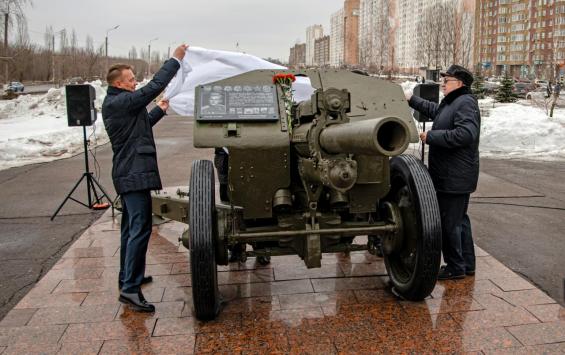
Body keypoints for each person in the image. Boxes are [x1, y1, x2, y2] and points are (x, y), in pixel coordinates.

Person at [102, 44, 188, 312]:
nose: (135, 82)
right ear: (119, 83)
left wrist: (160, 110)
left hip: (129, 172)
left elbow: (140, 127)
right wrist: (175, 60)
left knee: (131, 228)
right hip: (132, 173)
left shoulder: (120, 104)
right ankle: (129, 290)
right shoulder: (120, 101)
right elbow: (154, 86)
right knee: (140, 229)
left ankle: (129, 277)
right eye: (130, 80)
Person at [405, 64, 480, 280]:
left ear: (460, 83)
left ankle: (455, 267)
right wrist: (412, 99)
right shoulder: (454, 102)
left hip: (454, 176)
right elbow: (436, 111)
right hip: (453, 174)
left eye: (447, 81)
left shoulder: (465, 102)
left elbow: (465, 134)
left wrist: (432, 137)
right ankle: (467, 264)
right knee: (459, 221)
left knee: (449, 223)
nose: (443, 85)